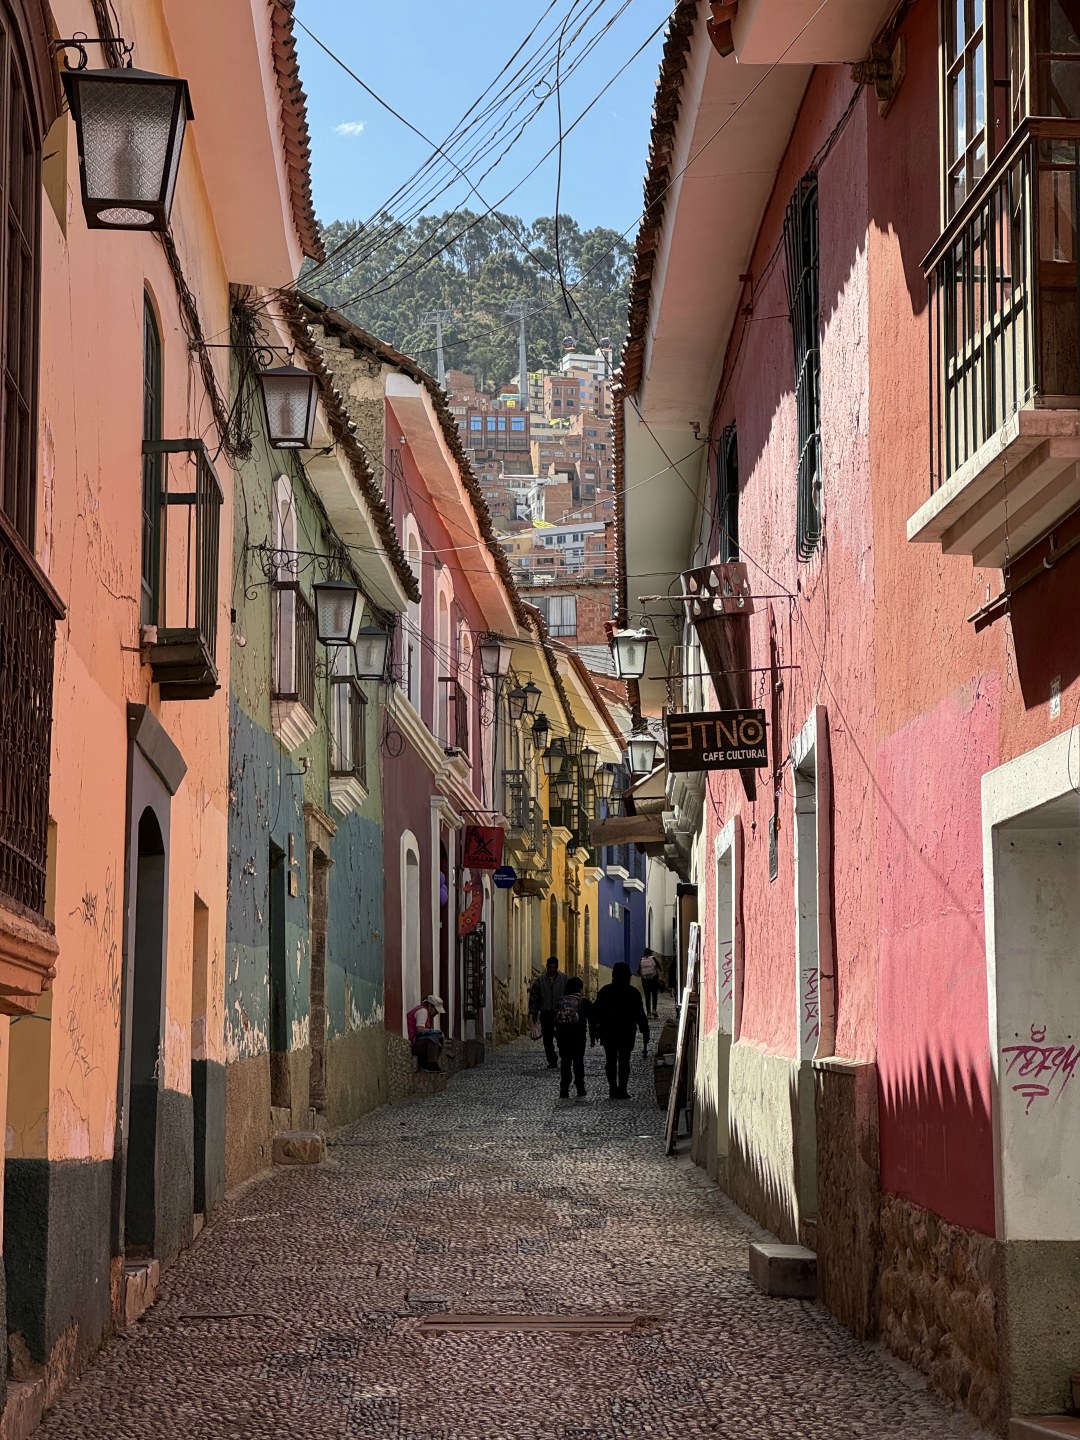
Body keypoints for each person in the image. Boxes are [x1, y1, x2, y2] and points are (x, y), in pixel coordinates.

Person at [591, 961, 649, 1099]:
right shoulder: (633, 993)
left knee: (610, 1061)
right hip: (626, 1033)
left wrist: (593, 1032)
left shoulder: (605, 991)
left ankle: (613, 1089)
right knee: (624, 1061)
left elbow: (595, 1013)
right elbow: (640, 1015)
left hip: (608, 1032)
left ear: (613, 975)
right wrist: (645, 1031)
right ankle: (622, 1089)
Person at [554, 976, 592, 1100]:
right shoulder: (583, 1001)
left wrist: (557, 1035)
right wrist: (593, 1036)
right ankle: (580, 1087)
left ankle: (564, 1087)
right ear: (580, 988)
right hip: (578, 1036)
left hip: (563, 1036)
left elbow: (556, 1019)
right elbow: (592, 1019)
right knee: (578, 1061)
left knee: (565, 1061)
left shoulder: (561, 1000)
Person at [529, 955, 567, 1069]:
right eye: (550, 967)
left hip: (560, 1013)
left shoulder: (564, 979)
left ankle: (564, 1057)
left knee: (561, 1038)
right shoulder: (540, 981)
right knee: (547, 1039)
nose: (551, 969)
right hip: (546, 1014)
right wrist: (533, 1012)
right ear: (547, 967)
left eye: (553, 967)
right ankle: (552, 1060)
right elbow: (534, 998)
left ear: (557, 967)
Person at [407, 995, 445, 1071]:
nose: (437, 1013)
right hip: (414, 1042)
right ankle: (431, 1063)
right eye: (436, 1010)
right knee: (434, 1037)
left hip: (418, 1040)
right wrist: (433, 1032)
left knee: (439, 1038)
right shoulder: (423, 1011)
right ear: (430, 1006)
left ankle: (433, 1062)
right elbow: (420, 1029)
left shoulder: (427, 1014)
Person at [639, 948, 660, 1018]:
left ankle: (648, 1013)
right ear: (650, 953)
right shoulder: (653, 958)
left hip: (645, 981)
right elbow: (660, 968)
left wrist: (644, 975)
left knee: (647, 996)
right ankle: (654, 1009)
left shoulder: (641, 960)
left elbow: (638, 971)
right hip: (654, 980)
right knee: (654, 995)